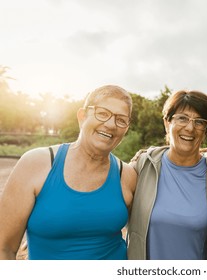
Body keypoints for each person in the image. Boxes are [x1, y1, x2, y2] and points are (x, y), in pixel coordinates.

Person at [0, 85, 137, 260]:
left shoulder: (127, 175)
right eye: (102, 113)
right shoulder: (35, 164)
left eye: (121, 119)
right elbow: (4, 248)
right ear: (82, 116)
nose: (111, 124)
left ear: (126, 128)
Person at [126, 90, 207, 260]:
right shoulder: (143, 165)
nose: (190, 128)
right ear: (167, 123)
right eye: (182, 118)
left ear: (205, 130)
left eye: (199, 122)